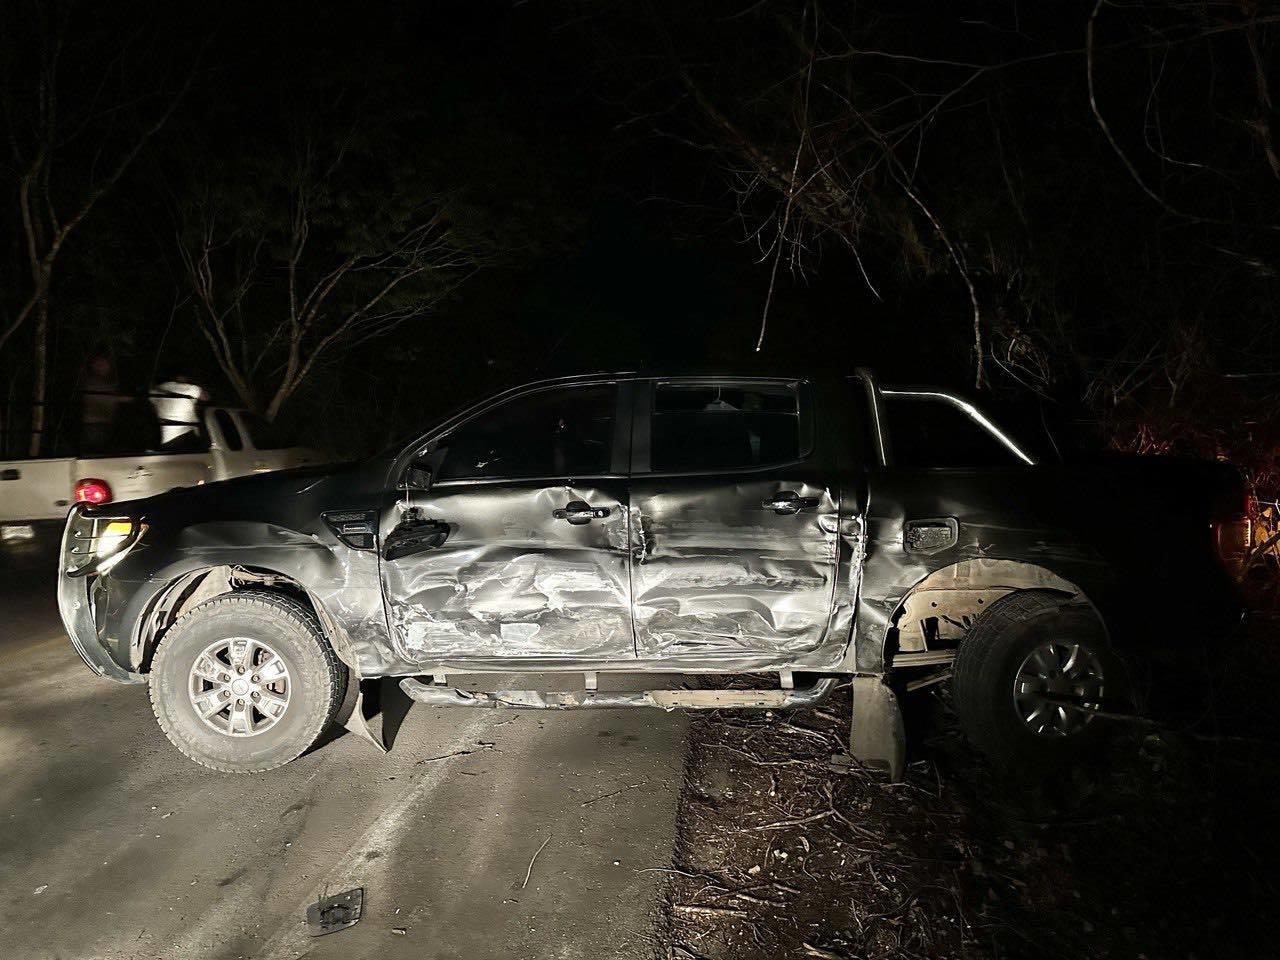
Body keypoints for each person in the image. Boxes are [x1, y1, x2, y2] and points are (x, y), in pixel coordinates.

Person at [150, 375, 209, 448]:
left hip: (167, 439)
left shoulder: (156, 390)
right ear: (180, 377)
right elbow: (206, 397)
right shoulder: (187, 388)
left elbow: (154, 409)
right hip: (186, 434)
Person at [81, 355, 120, 453]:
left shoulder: (110, 383)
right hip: (94, 425)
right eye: (98, 365)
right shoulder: (90, 383)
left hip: (107, 424)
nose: (101, 367)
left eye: (103, 365)